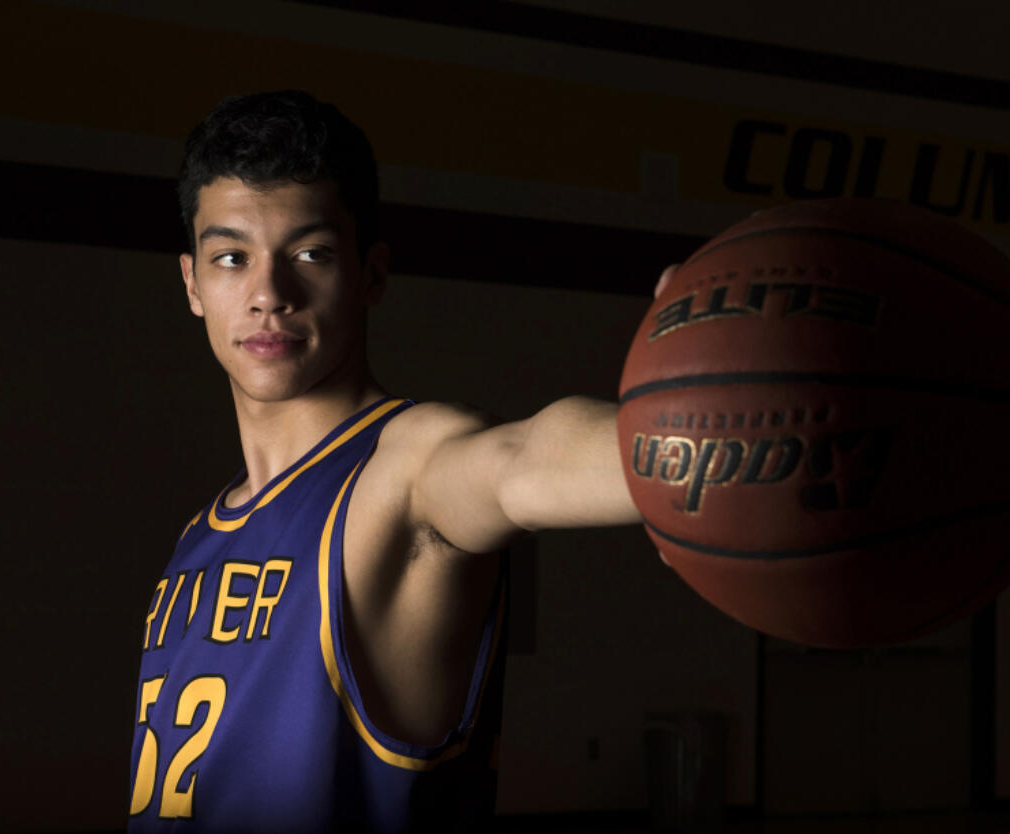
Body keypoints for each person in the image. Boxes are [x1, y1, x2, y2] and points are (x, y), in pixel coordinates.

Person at [127, 90, 651, 832]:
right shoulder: (196, 539)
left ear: (371, 275)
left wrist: (688, 432)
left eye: (310, 254)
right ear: (192, 284)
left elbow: (521, 462)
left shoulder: (404, 471)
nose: (268, 294)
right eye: (231, 258)